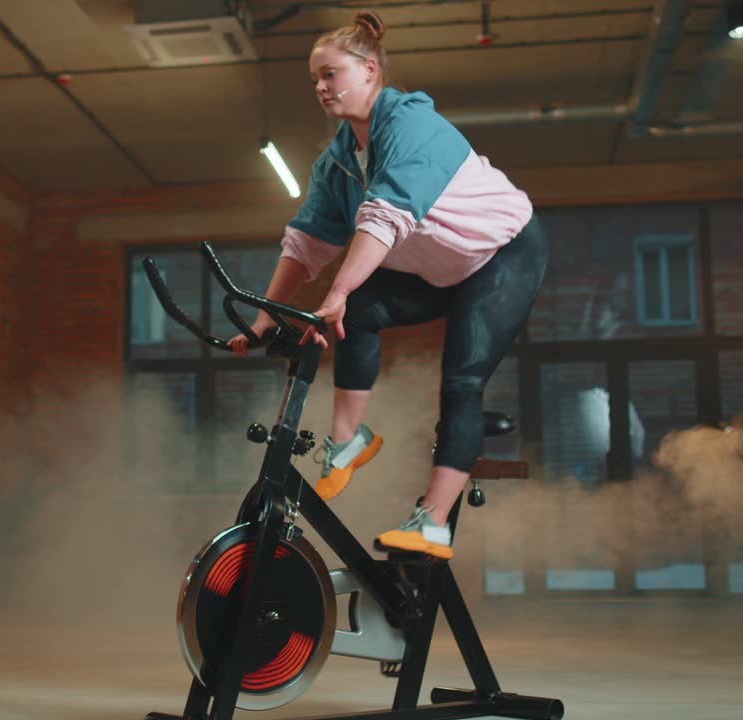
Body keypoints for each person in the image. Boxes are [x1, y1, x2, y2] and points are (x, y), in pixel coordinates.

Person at [228, 10, 547, 559]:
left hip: (502, 256)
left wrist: (338, 291)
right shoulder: (338, 161)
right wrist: (263, 317)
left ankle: (433, 523)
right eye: (315, 80)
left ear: (370, 70)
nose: (321, 88)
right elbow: (305, 243)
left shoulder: (412, 125)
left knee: (461, 381)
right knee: (359, 309)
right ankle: (350, 439)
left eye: (330, 74)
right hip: (440, 269)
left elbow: (383, 219)